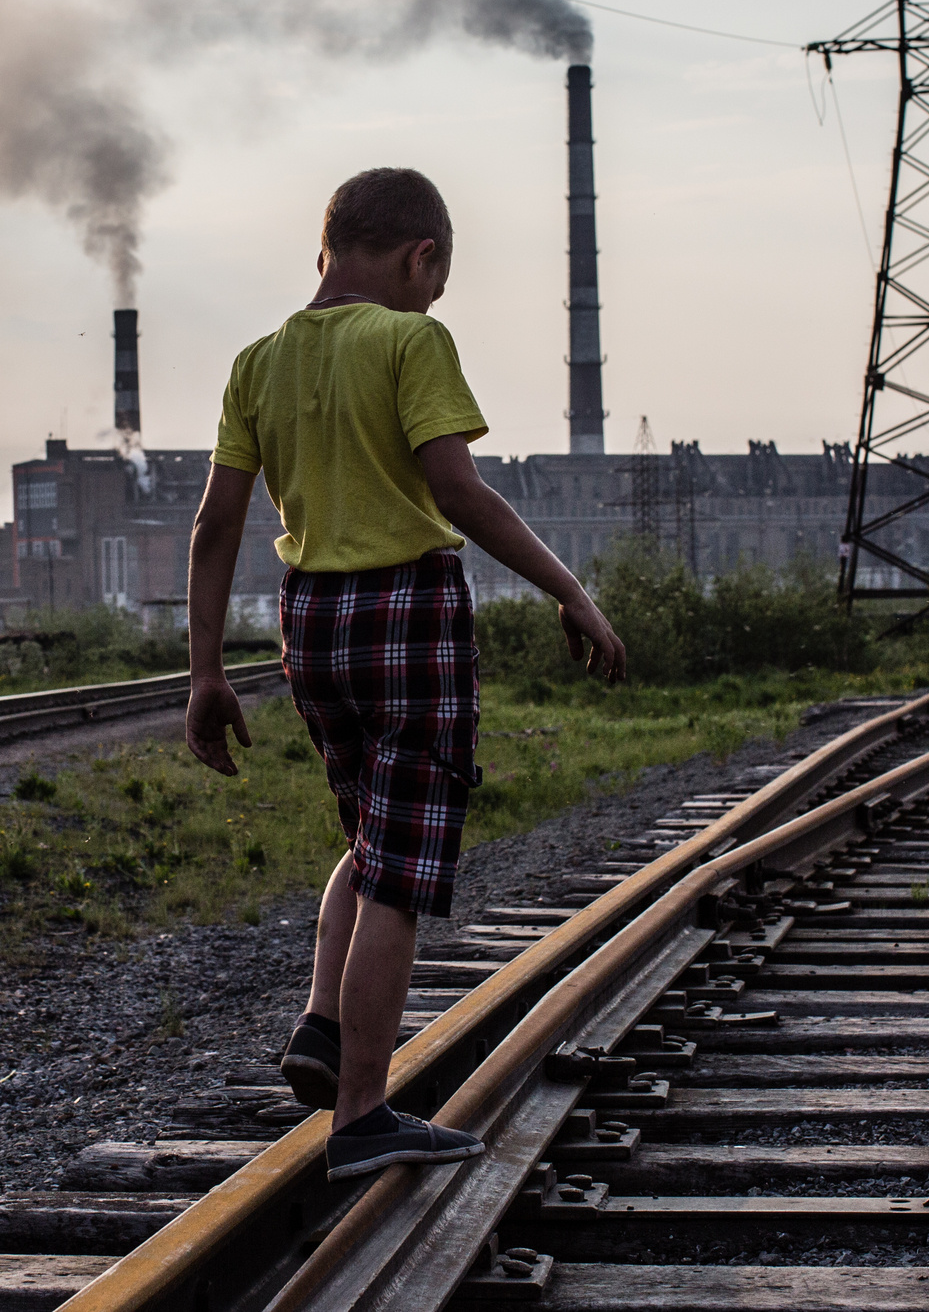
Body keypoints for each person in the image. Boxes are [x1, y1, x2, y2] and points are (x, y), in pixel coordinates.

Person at [184, 165, 626, 1182]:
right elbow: (457, 491)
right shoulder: (411, 340)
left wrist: (204, 671)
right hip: (407, 610)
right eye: (437, 276)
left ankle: (322, 1026)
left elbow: (215, 523)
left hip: (310, 619)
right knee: (401, 870)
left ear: (325, 248)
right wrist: (569, 589)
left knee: (371, 837)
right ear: (419, 256)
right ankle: (362, 1115)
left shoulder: (257, 363)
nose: (436, 297)